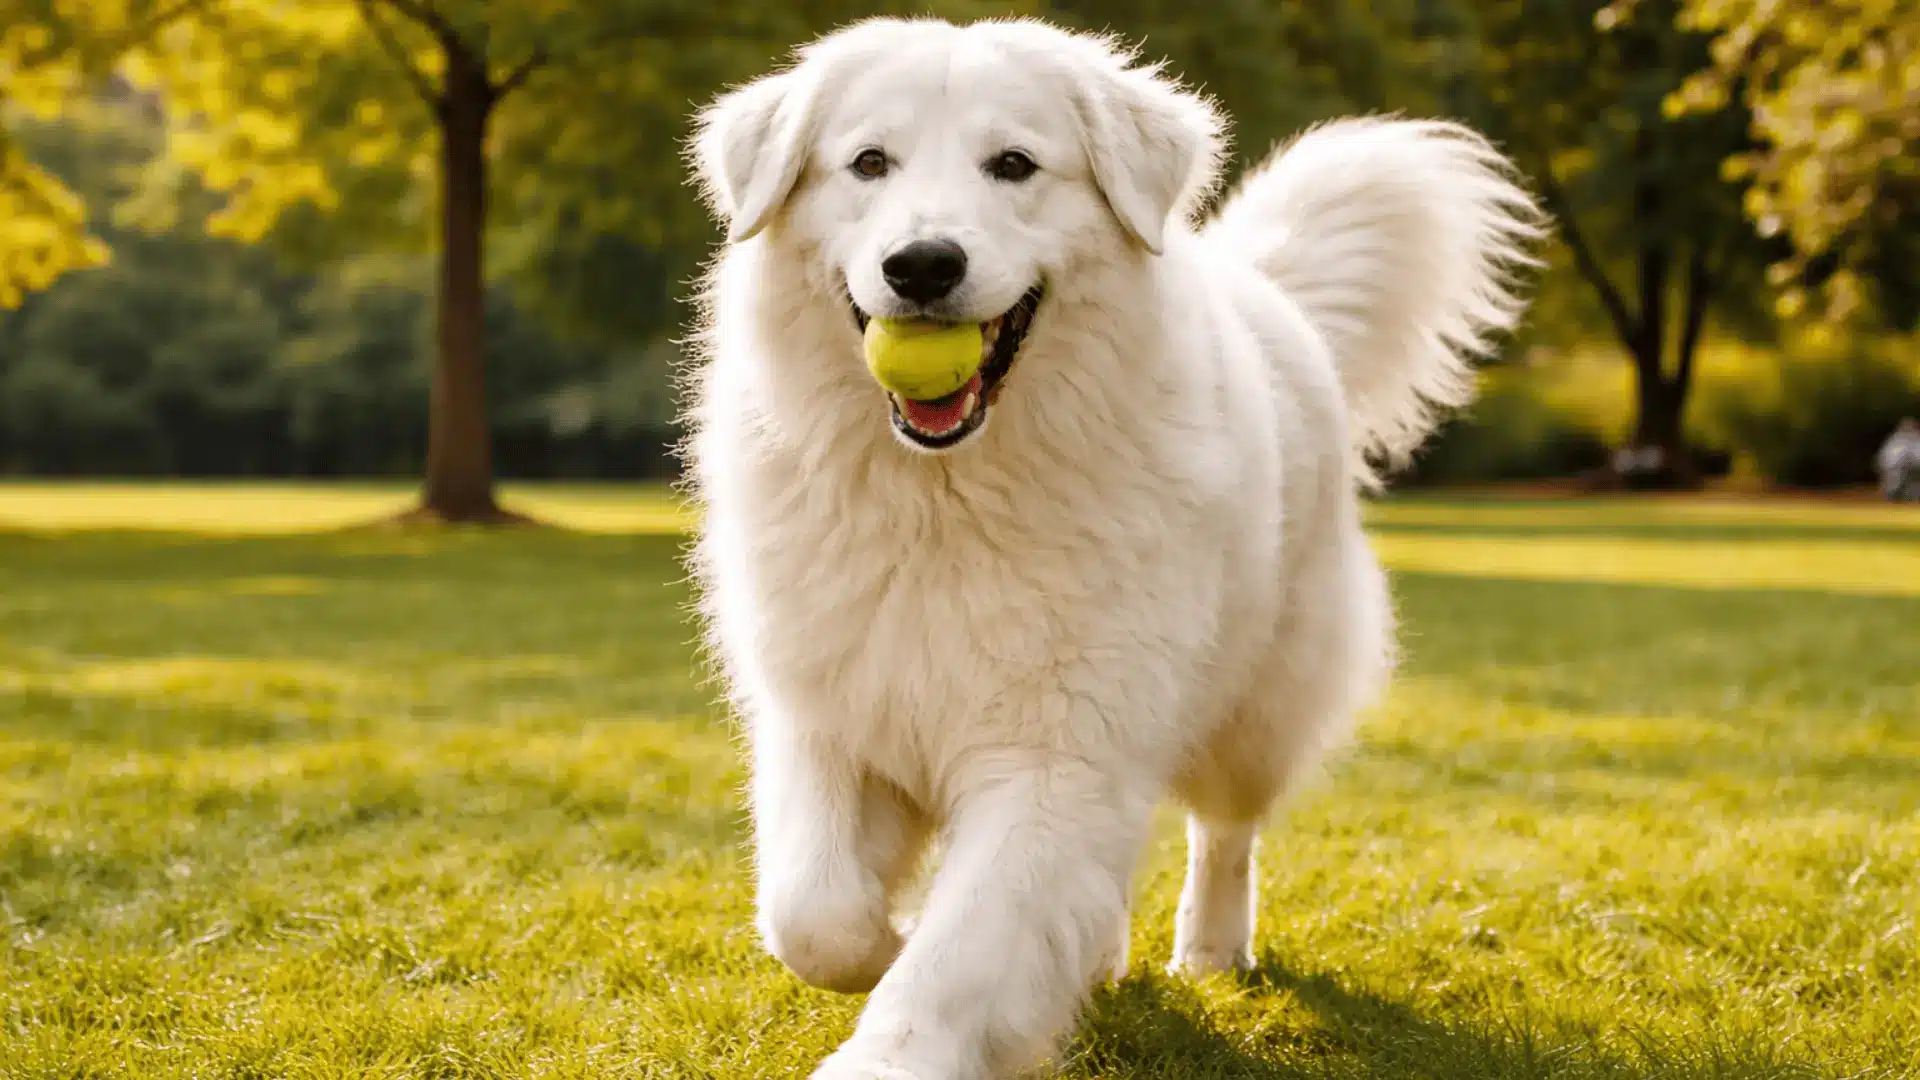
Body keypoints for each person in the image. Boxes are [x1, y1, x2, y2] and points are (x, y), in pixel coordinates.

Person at [1878, 418, 1920, 502]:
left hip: (1911, 471)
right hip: (1896, 470)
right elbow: (1886, 458)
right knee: (1894, 491)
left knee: (1912, 490)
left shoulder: (1914, 439)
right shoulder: (1896, 440)